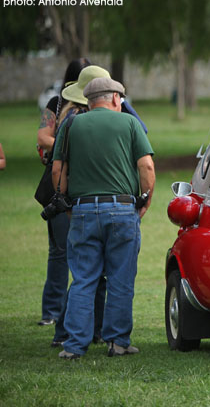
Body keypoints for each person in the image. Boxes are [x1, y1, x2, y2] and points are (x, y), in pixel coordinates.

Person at [52, 77, 155, 359]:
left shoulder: (70, 125)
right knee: (121, 279)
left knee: (83, 278)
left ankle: (74, 346)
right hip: (123, 210)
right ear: (114, 99)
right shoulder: (130, 124)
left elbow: (57, 170)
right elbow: (146, 165)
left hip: (83, 210)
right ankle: (118, 342)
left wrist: (69, 205)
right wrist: (145, 200)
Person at [48, 65, 114, 348]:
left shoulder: (73, 119)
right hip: (80, 202)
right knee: (87, 275)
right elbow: (58, 167)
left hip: (78, 203)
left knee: (86, 274)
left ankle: (85, 331)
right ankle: (69, 331)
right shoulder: (78, 121)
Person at [36, 58, 91, 327]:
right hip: (58, 186)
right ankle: (52, 311)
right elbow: (42, 137)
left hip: (83, 186)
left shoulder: (95, 105)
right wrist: (67, 142)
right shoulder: (56, 105)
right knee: (60, 250)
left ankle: (71, 311)